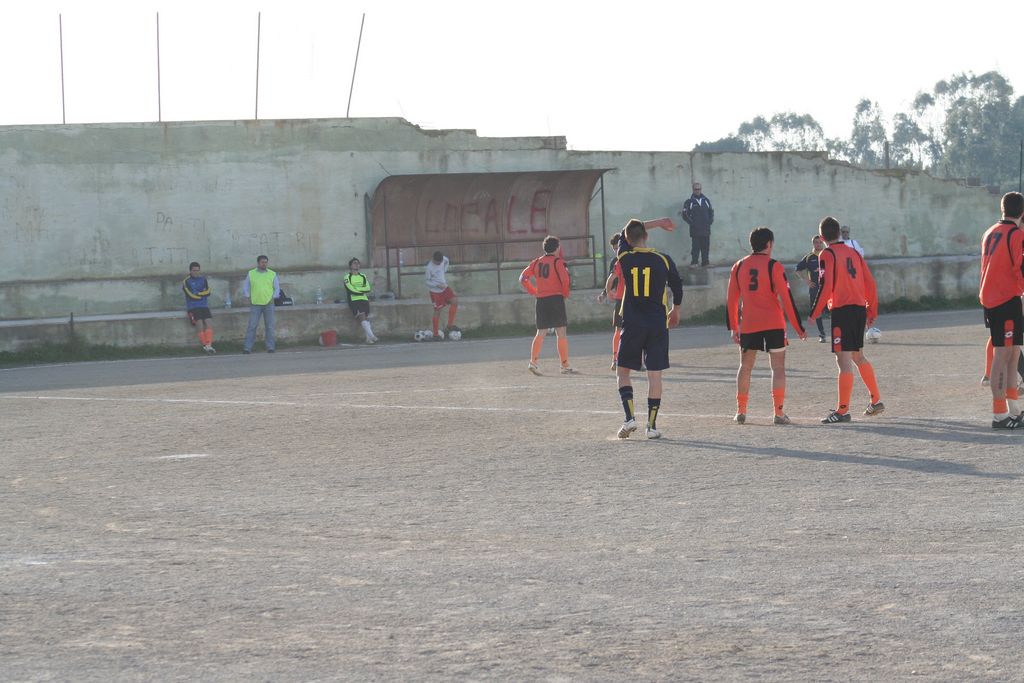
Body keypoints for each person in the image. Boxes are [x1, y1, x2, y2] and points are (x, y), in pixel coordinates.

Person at [611, 219, 684, 439]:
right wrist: (676, 309)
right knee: (655, 375)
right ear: (646, 237)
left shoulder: (624, 256)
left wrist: (657, 222)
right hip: (657, 323)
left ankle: (629, 418)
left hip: (633, 322)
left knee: (623, 371)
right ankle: (651, 427)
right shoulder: (663, 259)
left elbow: (625, 230)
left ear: (627, 239)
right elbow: (677, 286)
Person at [727, 227, 807, 425]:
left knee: (745, 367)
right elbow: (786, 298)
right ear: (769, 244)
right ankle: (778, 413)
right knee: (778, 368)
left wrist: (734, 326)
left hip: (749, 323)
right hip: (773, 323)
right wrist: (799, 327)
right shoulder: (774, 266)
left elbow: (732, 299)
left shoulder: (738, 266)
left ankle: (740, 410)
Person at [809, 217, 883, 423]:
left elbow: (826, 285)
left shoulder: (827, 254)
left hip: (842, 310)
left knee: (843, 360)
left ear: (822, 237)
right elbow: (870, 282)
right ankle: (876, 400)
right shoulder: (854, 252)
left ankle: (842, 411)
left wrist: (814, 312)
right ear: (839, 233)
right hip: (859, 308)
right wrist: (871, 309)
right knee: (858, 356)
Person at [978, 191, 1024, 429]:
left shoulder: (990, 231)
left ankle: (1014, 409)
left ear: (1002, 209)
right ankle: (999, 414)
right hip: (1004, 299)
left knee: (1013, 352)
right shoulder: (1016, 235)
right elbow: (1020, 267)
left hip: (997, 298)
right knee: (1003, 355)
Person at [520, 236, 576, 375]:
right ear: (557, 248)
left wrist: (533, 291)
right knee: (561, 332)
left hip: (541, 300)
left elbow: (523, 278)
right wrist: (565, 294)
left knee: (541, 332)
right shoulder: (558, 262)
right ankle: (564, 365)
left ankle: (533, 362)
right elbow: (565, 280)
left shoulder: (536, 262)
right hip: (556, 299)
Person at [597, 233, 626, 371]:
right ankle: (615, 359)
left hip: (632, 299)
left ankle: (638, 360)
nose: (616, 251)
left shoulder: (629, 259)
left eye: (617, 248)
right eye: (614, 249)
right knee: (619, 330)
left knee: (636, 330)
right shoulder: (616, 261)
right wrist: (605, 293)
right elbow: (611, 280)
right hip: (622, 299)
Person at [242, 254, 280, 354]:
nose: (264, 264)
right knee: (252, 326)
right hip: (255, 304)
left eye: (266, 262)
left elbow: (277, 288)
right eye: (262, 262)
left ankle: (270, 347)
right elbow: (245, 287)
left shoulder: (272, 274)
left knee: (270, 327)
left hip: (269, 304)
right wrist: (248, 296)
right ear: (258, 263)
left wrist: (273, 297)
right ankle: (247, 348)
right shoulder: (251, 273)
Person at [795, 235, 828, 342]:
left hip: (828, 288)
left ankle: (839, 333)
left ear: (823, 243)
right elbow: (798, 269)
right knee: (816, 311)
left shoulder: (828, 255)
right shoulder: (809, 257)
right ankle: (822, 334)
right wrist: (807, 281)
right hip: (815, 289)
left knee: (835, 309)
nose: (818, 244)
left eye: (820, 242)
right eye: (816, 242)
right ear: (813, 244)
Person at [182, 261, 216, 354]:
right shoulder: (186, 281)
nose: (196, 272)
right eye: (194, 270)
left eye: (198, 270)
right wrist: (201, 294)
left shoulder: (203, 279)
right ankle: (204, 345)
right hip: (193, 307)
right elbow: (190, 295)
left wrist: (198, 293)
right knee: (199, 323)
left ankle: (209, 345)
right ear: (190, 271)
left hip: (204, 305)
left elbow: (208, 292)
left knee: (208, 322)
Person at [425, 251, 459, 340]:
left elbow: (447, 261)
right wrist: (437, 285)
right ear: (433, 260)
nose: (439, 264)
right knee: (437, 311)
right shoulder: (429, 268)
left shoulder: (444, 259)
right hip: (435, 292)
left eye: (440, 262)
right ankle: (435, 334)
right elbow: (427, 282)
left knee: (455, 301)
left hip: (444, 288)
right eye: (438, 263)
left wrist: (444, 270)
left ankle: (450, 325)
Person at [344, 258, 378, 344]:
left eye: (358, 263)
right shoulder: (347, 277)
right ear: (350, 266)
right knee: (361, 315)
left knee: (366, 317)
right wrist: (361, 290)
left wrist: (357, 289)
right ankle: (372, 336)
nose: (357, 265)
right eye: (354, 263)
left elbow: (368, 288)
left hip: (364, 299)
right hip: (354, 300)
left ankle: (368, 339)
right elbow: (351, 289)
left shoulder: (363, 276)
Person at [681, 181, 714, 266]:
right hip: (695, 230)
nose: (697, 191)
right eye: (696, 189)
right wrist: (693, 224)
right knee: (695, 247)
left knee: (705, 247)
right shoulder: (689, 202)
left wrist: (709, 222)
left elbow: (711, 212)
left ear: (701, 189)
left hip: (706, 229)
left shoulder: (706, 200)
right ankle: (694, 263)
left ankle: (705, 262)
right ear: (693, 190)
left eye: (699, 189)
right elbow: (684, 215)